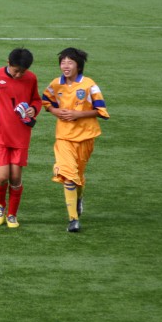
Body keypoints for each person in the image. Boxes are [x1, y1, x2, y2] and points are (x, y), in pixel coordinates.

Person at [42, 48, 109, 233]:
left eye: (69, 62)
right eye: (63, 62)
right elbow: (46, 101)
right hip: (63, 137)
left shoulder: (89, 85)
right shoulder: (56, 84)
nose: (65, 65)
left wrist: (78, 114)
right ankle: (73, 219)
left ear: (78, 65)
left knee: (78, 176)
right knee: (68, 175)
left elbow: (101, 111)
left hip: (86, 137)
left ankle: (78, 199)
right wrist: (56, 112)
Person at [0, 48, 42, 229]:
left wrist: (33, 110)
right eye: (16, 70)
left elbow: (37, 99)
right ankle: (0, 206)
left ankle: (12, 214)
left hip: (21, 135)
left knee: (15, 177)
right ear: (8, 62)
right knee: (2, 176)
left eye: (23, 71)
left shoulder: (31, 79)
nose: (19, 74)